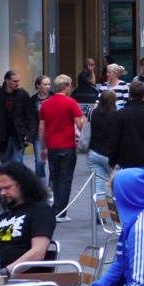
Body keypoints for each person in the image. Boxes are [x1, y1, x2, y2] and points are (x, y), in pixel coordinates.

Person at [0, 161, 55, 273]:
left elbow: (37, 253)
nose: (2, 193)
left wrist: (5, 272)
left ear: (22, 185)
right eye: (0, 189)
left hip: (16, 278)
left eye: (7, 188)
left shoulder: (40, 210)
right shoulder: (3, 217)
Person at [36, 74, 84, 220]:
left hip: (52, 147)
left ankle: (56, 207)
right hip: (67, 145)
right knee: (65, 179)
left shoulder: (45, 104)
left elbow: (41, 128)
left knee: (55, 177)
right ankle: (60, 210)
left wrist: (43, 147)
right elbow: (80, 124)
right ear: (66, 87)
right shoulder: (71, 103)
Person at [0, 70, 37, 164]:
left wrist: (29, 135)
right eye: (15, 81)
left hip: (19, 134)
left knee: (17, 161)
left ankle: (17, 178)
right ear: (7, 81)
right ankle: (9, 178)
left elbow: (30, 116)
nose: (17, 83)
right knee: (5, 161)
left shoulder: (22, 94)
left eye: (18, 81)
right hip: (3, 134)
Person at [114, 80, 144, 169]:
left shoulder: (121, 114)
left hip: (126, 160)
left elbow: (115, 138)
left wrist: (113, 159)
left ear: (130, 94)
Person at [31, 75, 51, 179]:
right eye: (45, 84)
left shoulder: (53, 97)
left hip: (52, 133)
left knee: (53, 162)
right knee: (39, 161)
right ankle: (41, 188)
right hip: (38, 134)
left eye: (49, 84)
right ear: (38, 85)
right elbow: (30, 118)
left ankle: (52, 188)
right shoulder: (33, 100)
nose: (48, 87)